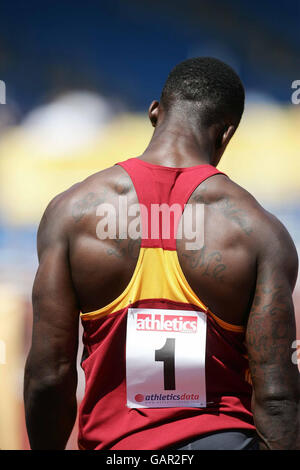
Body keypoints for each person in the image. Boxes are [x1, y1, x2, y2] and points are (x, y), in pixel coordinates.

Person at [24, 57, 299, 450]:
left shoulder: (73, 213)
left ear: (155, 112)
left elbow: (50, 375)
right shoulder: (260, 232)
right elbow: (277, 396)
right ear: (226, 134)